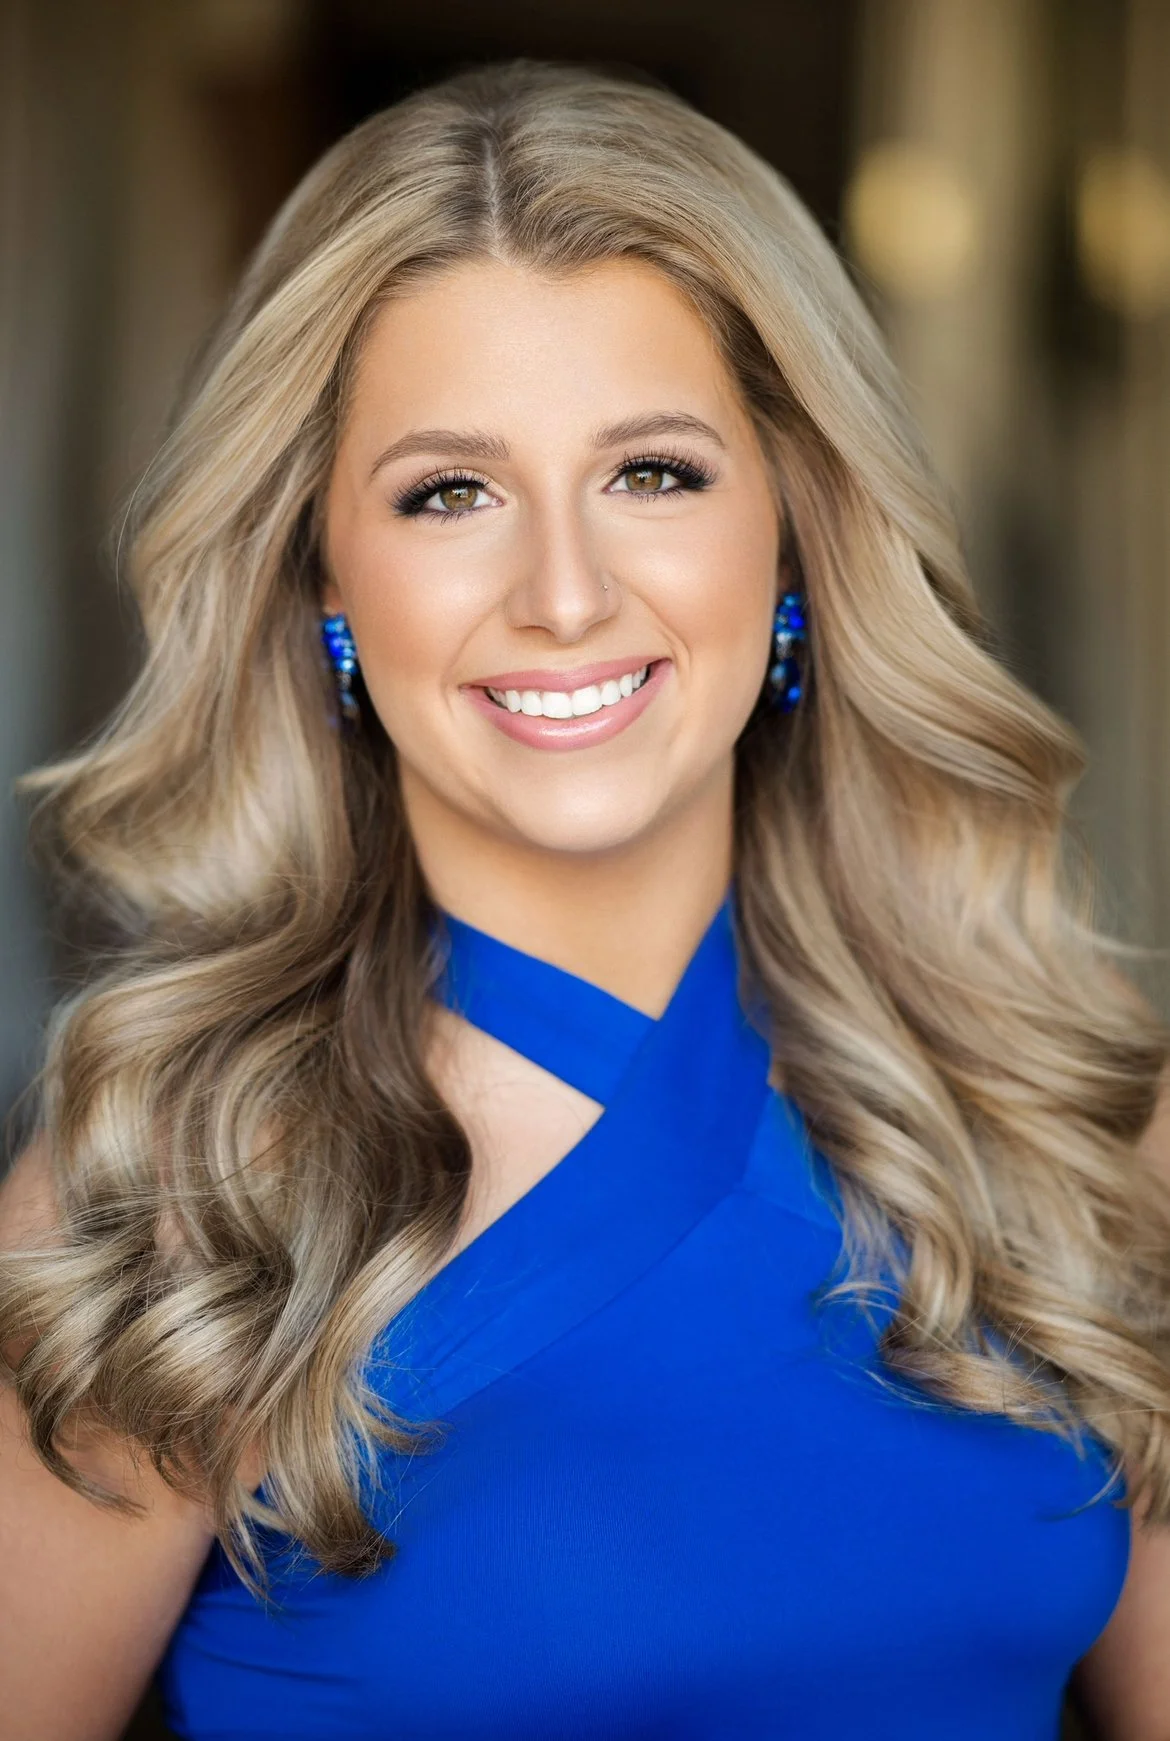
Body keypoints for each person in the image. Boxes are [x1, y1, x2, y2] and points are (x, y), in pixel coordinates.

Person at [2, 59, 1169, 1741]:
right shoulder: (179, 1199)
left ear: (793, 530)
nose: (562, 592)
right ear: (324, 574)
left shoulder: (1060, 1111)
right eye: (448, 494)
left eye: (654, 474)